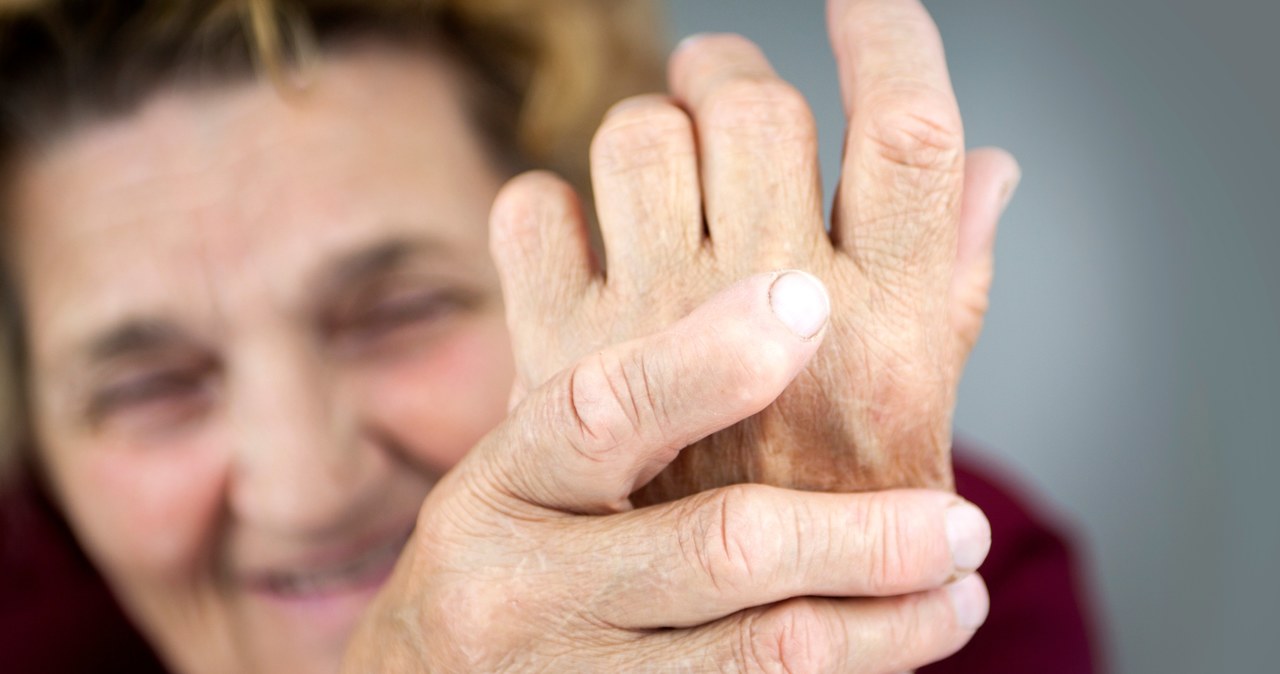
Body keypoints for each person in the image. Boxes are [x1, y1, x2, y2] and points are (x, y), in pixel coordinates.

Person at [0, 0, 1101, 671]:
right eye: (149, 384)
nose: (305, 483)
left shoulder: (921, 572)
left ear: (599, 269)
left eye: (398, 312)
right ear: (36, 454)